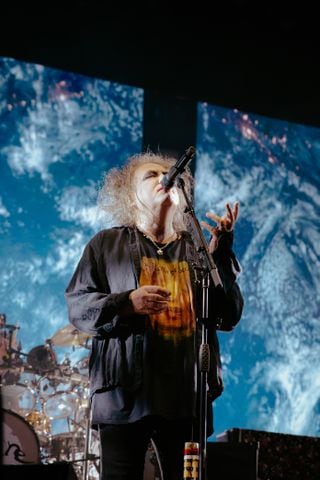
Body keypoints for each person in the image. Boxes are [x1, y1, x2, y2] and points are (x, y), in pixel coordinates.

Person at [65, 151, 243, 480]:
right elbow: (79, 306)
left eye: (169, 173)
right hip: (124, 393)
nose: (165, 177)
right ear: (130, 196)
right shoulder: (107, 243)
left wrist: (223, 253)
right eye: (151, 175)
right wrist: (126, 303)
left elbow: (229, 315)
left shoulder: (198, 251)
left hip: (186, 396)